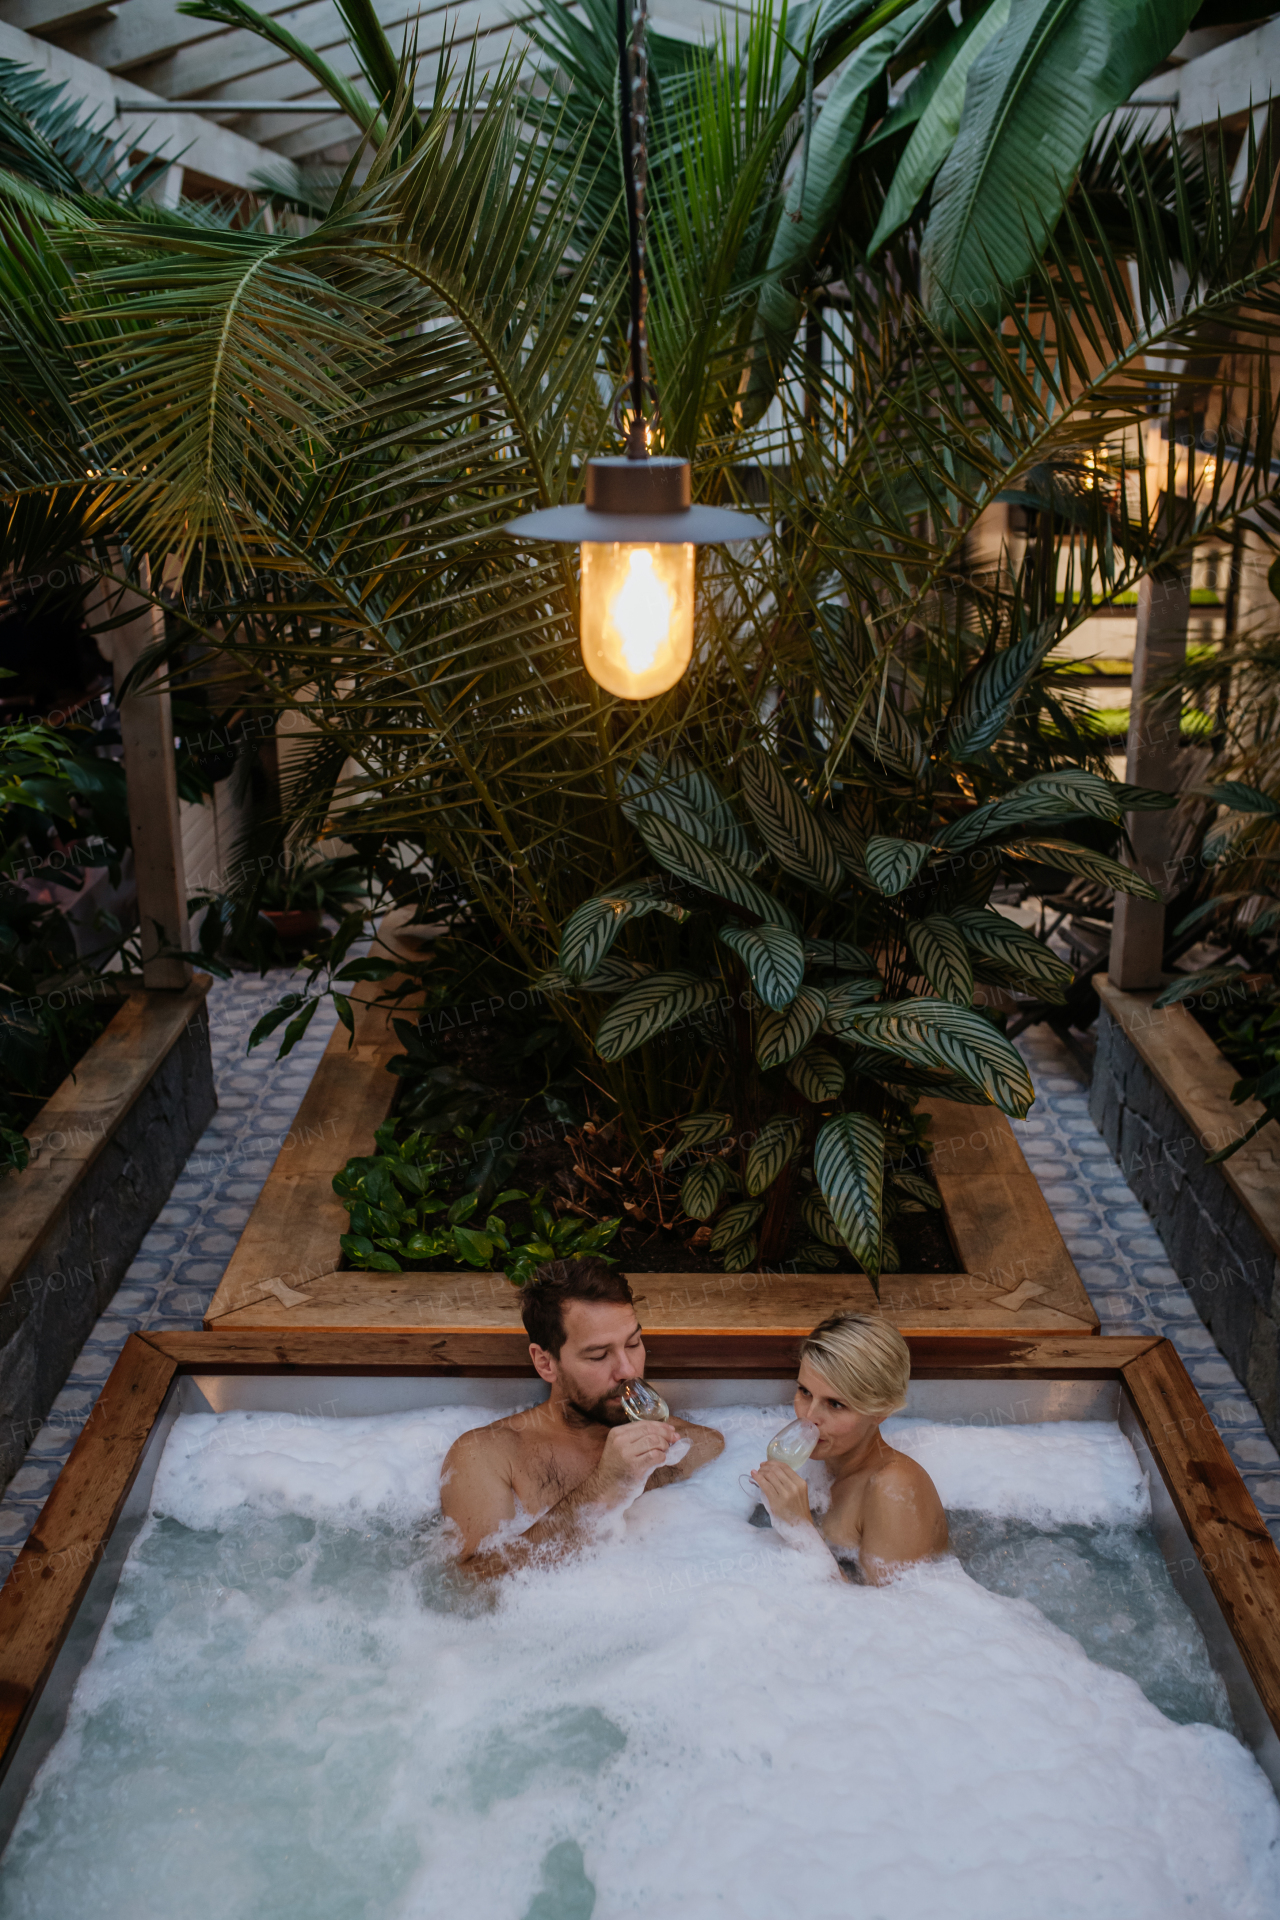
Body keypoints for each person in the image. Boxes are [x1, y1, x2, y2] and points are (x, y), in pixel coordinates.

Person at [441, 1257, 723, 1578]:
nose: (628, 1370)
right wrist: (604, 1490)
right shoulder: (488, 1456)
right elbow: (470, 1588)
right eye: (598, 1355)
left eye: (633, 1343)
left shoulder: (695, 1447)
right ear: (546, 1363)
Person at [751, 1312, 948, 1585]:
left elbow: (890, 1619)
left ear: (882, 1411)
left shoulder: (893, 1489)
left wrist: (801, 1529)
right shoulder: (820, 1458)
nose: (808, 1416)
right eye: (805, 1392)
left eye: (835, 1404)